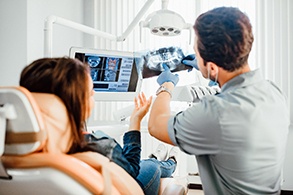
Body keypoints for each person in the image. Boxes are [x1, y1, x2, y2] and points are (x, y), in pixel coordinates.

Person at [148, 6, 290, 195]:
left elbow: (156, 125)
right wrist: (210, 73)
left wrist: (166, 86)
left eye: (197, 54)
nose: (196, 57)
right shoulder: (274, 92)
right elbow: (235, 102)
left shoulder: (215, 114)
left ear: (213, 67)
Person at [19, 57, 178, 195]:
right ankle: (170, 163)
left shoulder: (18, 155)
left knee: (147, 162)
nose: (94, 94)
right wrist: (135, 120)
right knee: (150, 166)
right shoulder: (99, 147)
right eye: (90, 91)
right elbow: (131, 170)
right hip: (125, 183)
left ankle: (160, 159)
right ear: (77, 103)